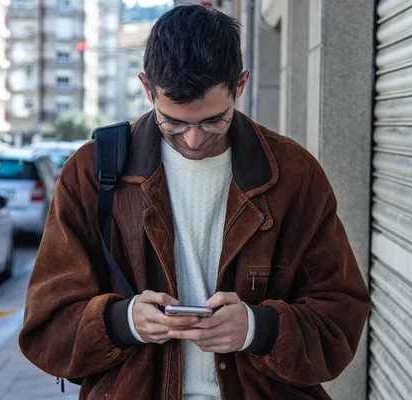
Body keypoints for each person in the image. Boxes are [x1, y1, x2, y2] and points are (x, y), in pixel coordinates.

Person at [19, 5, 370, 400]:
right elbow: (44, 330)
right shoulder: (90, 173)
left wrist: (258, 328)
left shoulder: (293, 174)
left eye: (212, 121)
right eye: (174, 122)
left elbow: (341, 319)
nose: (193, 139)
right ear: (147, 88)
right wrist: (122, 322)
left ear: (241, 85)